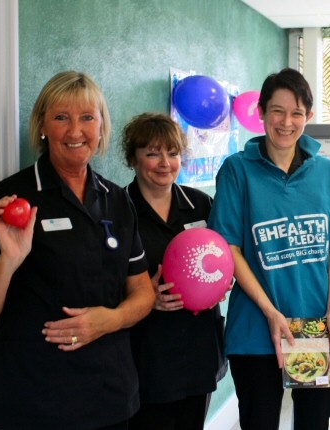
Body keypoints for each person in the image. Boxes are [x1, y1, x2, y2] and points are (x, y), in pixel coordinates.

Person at [0, 71, 155, 430]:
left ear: (101, 127)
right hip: (35, 399)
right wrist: (9, 262)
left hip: (109, 395)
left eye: (87, 118)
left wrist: (109, 320)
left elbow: (142, 291)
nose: (76, 131)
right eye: (62, 117)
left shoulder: (117, 200)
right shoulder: (14, 199)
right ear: (42, 126)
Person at [207, 67, 330, 430]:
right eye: (277, 110)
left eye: (297, 113)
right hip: (255, 331)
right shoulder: (237, 170)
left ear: (309, 116)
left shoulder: (326, 172)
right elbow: (230, 248)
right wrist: (271, 312)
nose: (286, 122)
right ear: (260, 111)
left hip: (314, 327)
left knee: (313, 424)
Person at [120, 112, 228, 430]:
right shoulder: (118, 210)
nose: (165, 163)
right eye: (152, 153)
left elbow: (224, 260)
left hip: (199, 353)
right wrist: (144, 298)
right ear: (133, 159)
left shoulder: (201, 205)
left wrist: (222, 284)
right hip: (145, 356)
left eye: (173, 153)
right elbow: (101, 280)